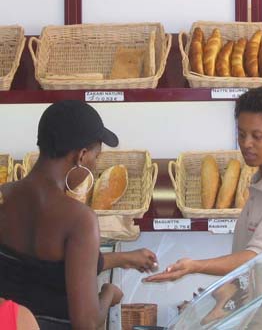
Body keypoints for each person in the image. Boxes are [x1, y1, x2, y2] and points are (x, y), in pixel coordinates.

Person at [144, 86, 262, 283]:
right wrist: (226, 293)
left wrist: (195, 266)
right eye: (241, 134)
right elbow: (250, 256)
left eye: (257, 136)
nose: (246, 143)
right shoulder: (261, 180)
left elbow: (260, 256)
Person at [0, 100, 158, 329]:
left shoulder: (4, 198)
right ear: (81, 156)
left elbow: (39, 271)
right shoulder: (79, 219)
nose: (95, 164)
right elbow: (88, 324)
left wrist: (124, 258)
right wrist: (108, 294)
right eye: (97, 156)